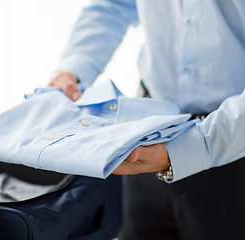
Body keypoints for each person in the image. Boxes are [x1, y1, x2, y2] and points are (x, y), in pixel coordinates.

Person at [48, 1, 245, 239]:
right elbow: (115, 4)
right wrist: (73, 69)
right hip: (150, 131)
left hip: (234, 149)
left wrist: (193, 147)